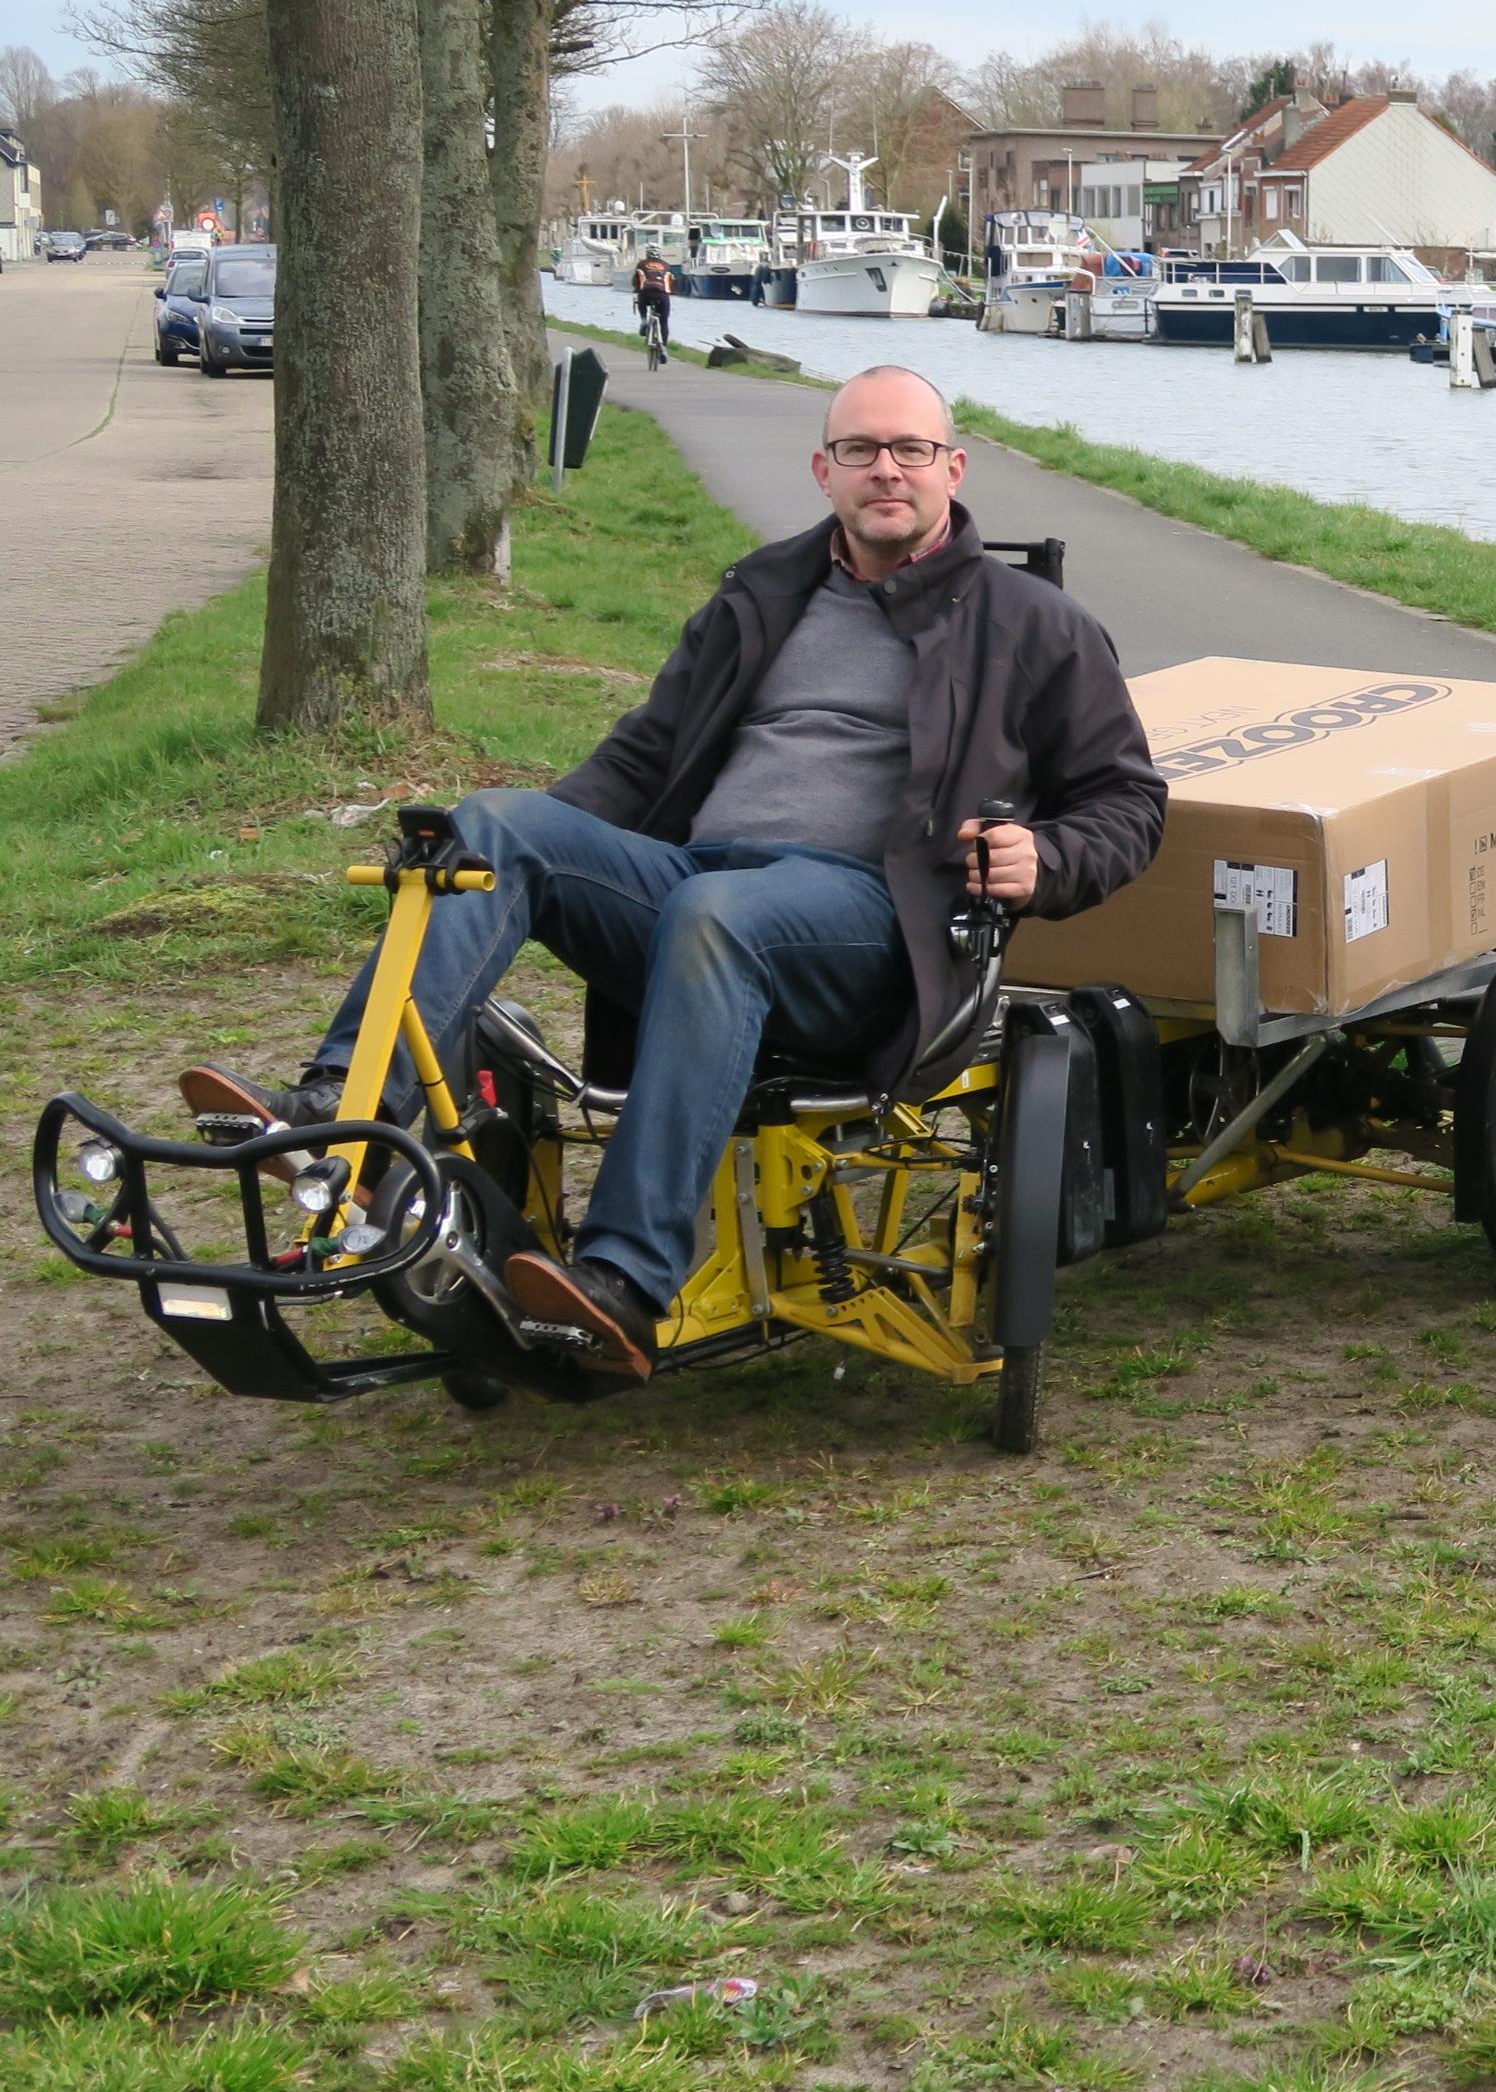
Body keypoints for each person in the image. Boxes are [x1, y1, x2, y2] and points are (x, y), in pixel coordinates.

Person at [180, 367, 1166, 1380]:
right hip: (700, 884)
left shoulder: (1033, 625)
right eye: (861, 450)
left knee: (714, 909)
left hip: (880, 931)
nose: (886, 469)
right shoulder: (763, 592)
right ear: (823, 469)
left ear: (951, 470)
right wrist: (516, 853)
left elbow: (1128, 804)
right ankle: (340, 1111)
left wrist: (1045, 858)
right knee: (491, 822)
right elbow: (643, 759)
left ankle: (624, 1276)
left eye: (910, 450)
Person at [630, 246, 677, 364]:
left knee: (641, 297)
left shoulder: (641, 264)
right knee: (664, 322)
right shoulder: (667, 265)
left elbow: (635, 281)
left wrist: (636, 290)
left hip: (646, 293)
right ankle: (663, 348)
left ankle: (643, 320)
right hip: (662, 295)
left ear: (647, 254)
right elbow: (673, 281)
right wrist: (670, 292)